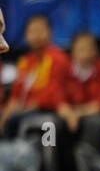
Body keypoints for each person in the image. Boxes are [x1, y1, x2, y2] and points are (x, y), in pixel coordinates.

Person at [1, 14, 70, 143]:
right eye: (32, 31)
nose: (36, 36)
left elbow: (54, 93)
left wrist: (26, 107)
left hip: (48, 110)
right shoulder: (25, 61)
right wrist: (6, 114)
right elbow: (15, 95)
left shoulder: (58, 58)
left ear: (50, 33)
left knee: (16, 120)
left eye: (40, 30)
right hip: (24, 110)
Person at [60, 30, 100, 153]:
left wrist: (77, 113)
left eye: (89, 47)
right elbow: (59, 100)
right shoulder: (64, 69)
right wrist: (68, 113)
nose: (85, 52)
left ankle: (87, 158)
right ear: (73, 51)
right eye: (81, 48)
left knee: (95, 121)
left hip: (95, 114)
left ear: (95, 51)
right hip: (70, 114)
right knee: (51, 123)